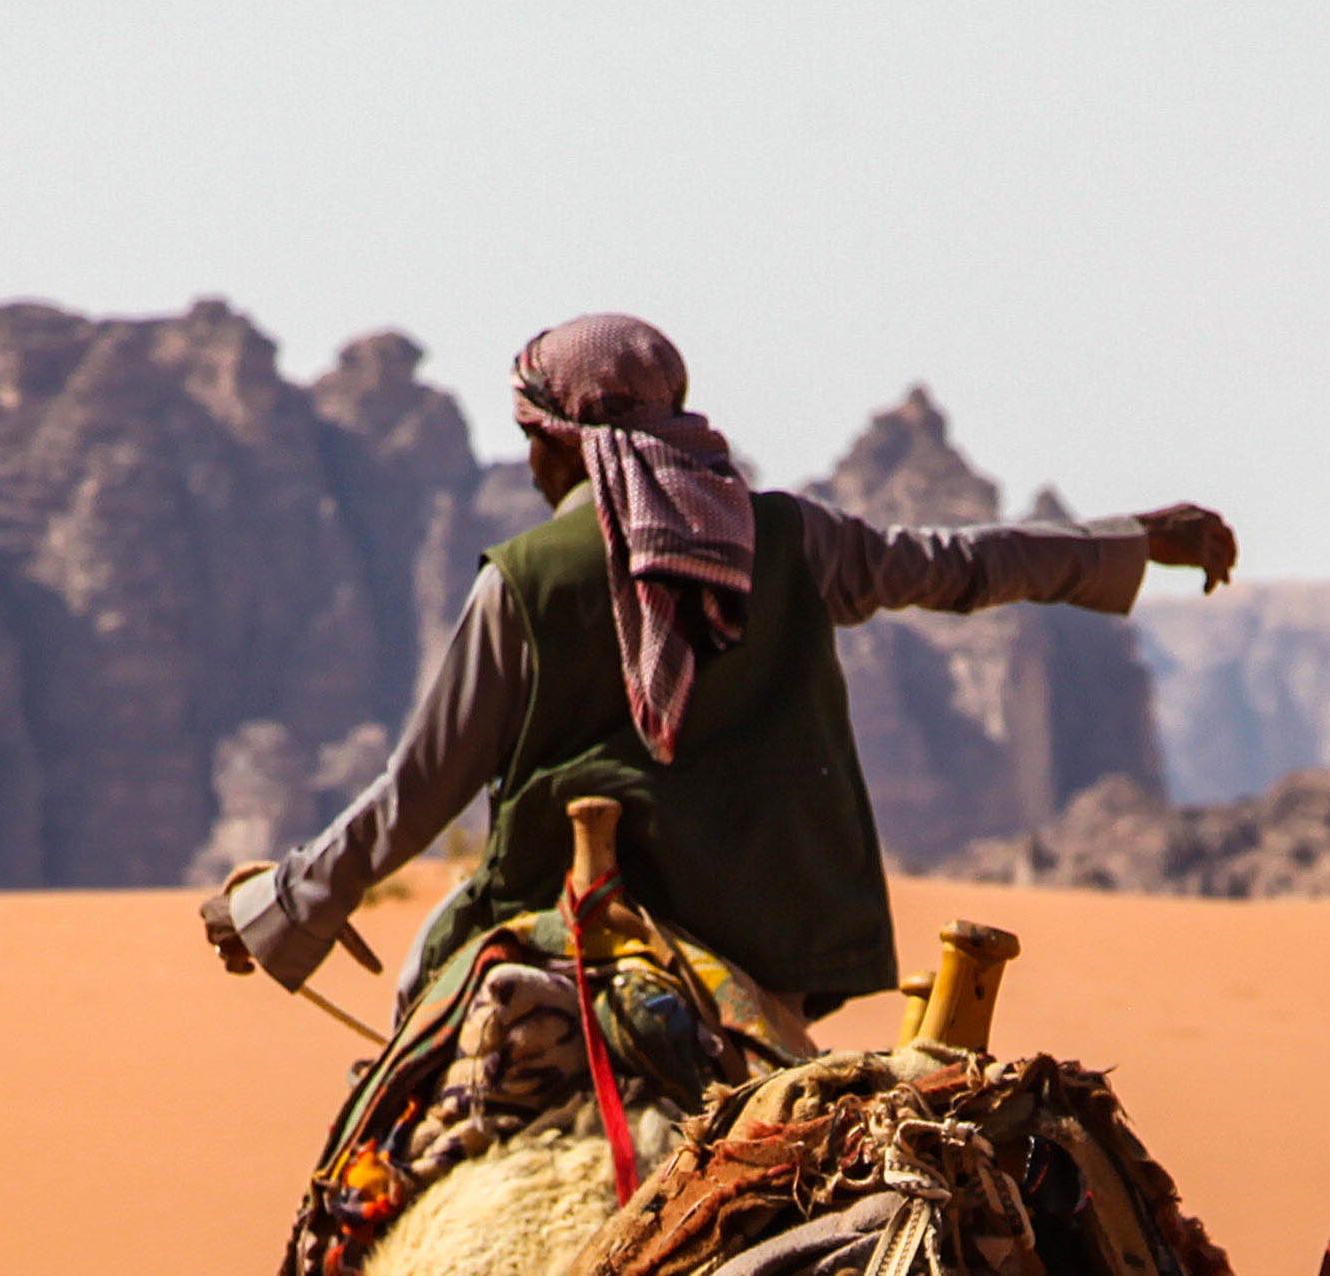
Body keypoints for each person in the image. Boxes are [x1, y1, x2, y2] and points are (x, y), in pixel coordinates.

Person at [202, 312, 1237, 1021]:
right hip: (771, 942)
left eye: (531, 438)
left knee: (409, 1059)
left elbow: (417, 793)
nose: (525, 463)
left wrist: (289, 902)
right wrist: (1132, 542)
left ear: (562, 446)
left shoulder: (520, 582)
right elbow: (967, 566)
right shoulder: (792, 540)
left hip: (560, 916)